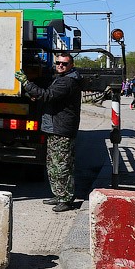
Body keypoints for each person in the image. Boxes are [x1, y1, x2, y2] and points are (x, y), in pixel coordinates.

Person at [15, 52, 83, 213]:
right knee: (53, 164)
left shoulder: (68, 81)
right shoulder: (61, 78)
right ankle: (59, 195)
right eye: (58, 63)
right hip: (55, 127)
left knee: (61, 166)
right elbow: (48, 96)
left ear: (71, 65)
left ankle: (65, 199)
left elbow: (48, 95)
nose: (60, 65)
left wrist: (26, 83)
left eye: (64, 64)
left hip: (61, 130)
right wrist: (34, 94)